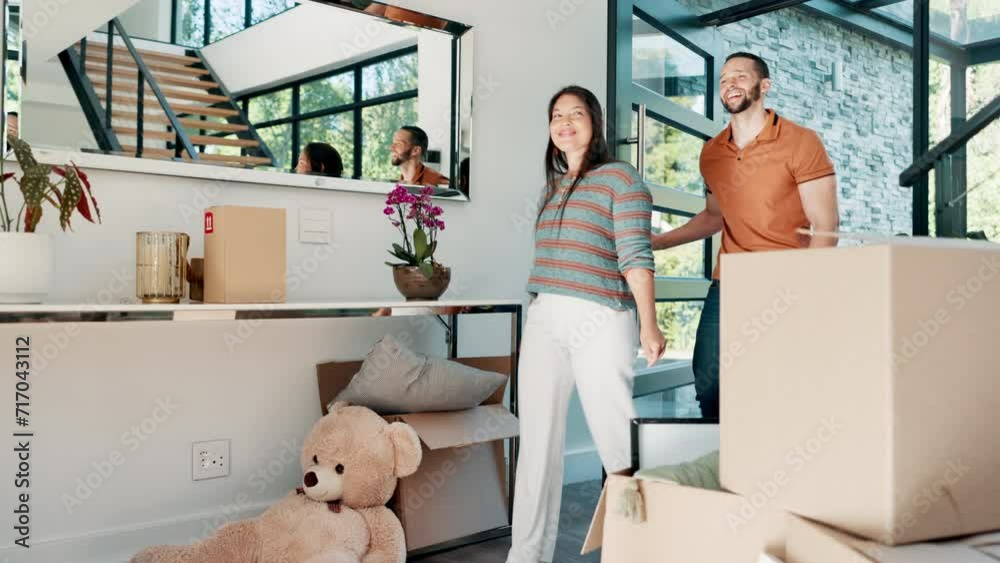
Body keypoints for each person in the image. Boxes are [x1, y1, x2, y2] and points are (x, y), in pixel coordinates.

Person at [506, 85, 666, 563]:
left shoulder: (622, 179)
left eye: (577, 113)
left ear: (595, 123)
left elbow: (636, 257)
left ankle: (642, 548)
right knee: (536, 445)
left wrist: (649, 325)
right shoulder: (552, 189)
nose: (565, 122)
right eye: (557, 114)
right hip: (544, 317)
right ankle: (526, 554)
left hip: (601, 316)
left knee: (615, 440)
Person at [652, 52, 839, 419]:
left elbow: (826, 228)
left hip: (784, 280)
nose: (729, 84)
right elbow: (714, 216)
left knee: (778, 385)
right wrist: (657, 242)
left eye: (739, 76)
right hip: (730, 280)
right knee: (710, 383)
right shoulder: (712, 153)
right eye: (723, 79)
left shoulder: (801, 143)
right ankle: (724, 467)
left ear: (764, 86)